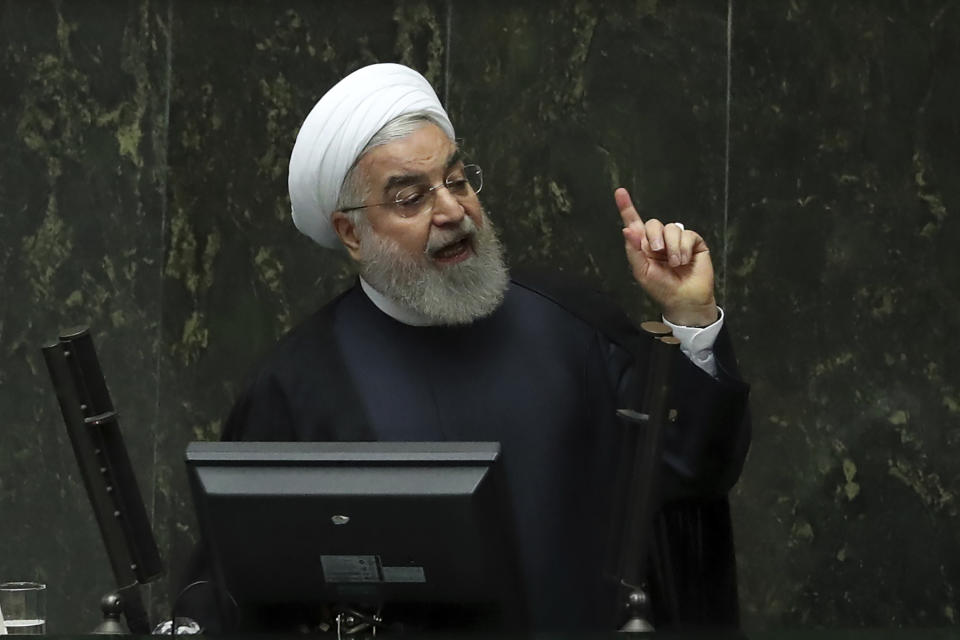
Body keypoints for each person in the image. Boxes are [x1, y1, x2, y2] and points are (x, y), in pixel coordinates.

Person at [203, 63, 750, 632]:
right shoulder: (299, 384)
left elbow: (696, 468)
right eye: (412, 197)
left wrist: (689, 314)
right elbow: (247, 587)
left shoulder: (570, 326)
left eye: (457, 181)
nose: (452, 211)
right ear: (350, 234)